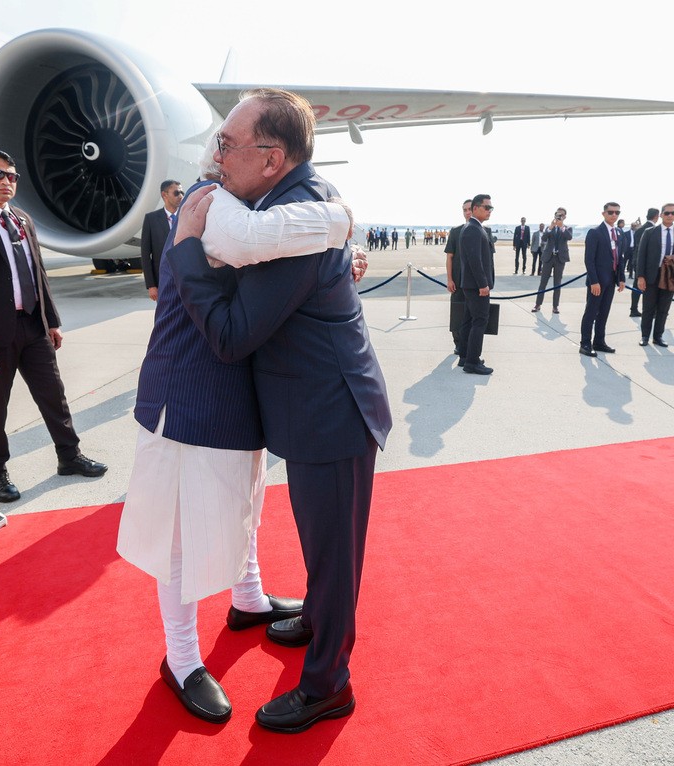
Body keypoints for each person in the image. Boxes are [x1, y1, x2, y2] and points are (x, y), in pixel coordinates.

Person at [168, 88, 392, 733]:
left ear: (271, 158)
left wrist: (186, 249)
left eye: (227, 144)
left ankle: (328, 686)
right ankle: (318, 624)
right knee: (324, 547)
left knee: (334, 557)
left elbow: (233, 332)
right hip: (313, 408)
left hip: (333, 413)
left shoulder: (296, 216)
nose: (216, 154)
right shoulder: (282, 204)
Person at [117, 137, 363, 725]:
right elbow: (256, 242)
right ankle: (180, 659)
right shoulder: (211, 203)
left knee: (243, 501)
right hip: (189, 390)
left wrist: (337, 248)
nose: (228, 158)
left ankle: (247, 598)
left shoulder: (245, 204)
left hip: (233, 387)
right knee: (178, 530)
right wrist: (344, 220)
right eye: (223, 149)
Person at [0, 149, 107, 503]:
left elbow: (38, 275)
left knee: (54, 396)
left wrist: (52, 321)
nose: (6, 182)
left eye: (12, 176)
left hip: (33, 325)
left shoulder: (22, 220)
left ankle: (69, 456)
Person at [579, 202, 626, 356]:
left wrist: (621, 278)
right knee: (591, 313)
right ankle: (585, 343)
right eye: (611, 212)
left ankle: (599, 341)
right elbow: (589, 260)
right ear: (603, 213)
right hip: (597, 282)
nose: (614, 215)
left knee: (604, 313)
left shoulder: (619, 233)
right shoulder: (595, 232)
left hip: (611, 281)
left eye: (617, 212)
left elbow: (620, 258)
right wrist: (594, 281)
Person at [458, 194, 495, 375]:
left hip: (471, 285)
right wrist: (483, 284)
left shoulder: (474, 227)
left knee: (468, 321)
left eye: (491, 208)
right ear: (476, 208)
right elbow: (475, 260)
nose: (490, 211)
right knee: (479, 321)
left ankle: (465, 356)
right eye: (487, 207)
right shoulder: (473, 229)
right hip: (476, 286)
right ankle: (472, 362)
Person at [634, 203, 674, 347]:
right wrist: (640, 276)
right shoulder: (650, 232)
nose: (670, 216)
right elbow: (641, 255)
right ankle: (645, 336)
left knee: (664, 308)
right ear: (661, 215)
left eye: (673, 213)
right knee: (648, 308)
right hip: (652, 275)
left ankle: (658, 336)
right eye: (667, 213)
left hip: (670, 276)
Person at [140, 180, 184, 302]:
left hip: (187, 280)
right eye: (176, 193)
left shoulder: (187, 216)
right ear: (164, 195)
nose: (181, 196)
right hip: (163, 281)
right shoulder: (151, 219)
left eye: (182, 192)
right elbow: (145, 255)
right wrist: (151, 285)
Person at [444, 198, 472, 355]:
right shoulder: (455, 231)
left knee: (474, 315)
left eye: (469, 209)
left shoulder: (485, 231)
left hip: (475, 283)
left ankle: (471, 345)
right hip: (458, 281)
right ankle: (458, 343)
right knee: (457, 313)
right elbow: (449, 257)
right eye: (464, 210)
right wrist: (449, 279)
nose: (467, 212)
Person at [532, 207, 571, 315]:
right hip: (548, 258)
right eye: (557, 215)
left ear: (565, 217)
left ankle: (555, 306)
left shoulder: (567, 228)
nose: (559, 217)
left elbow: (569, 237)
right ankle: (538, 304)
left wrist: (561, 226)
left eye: (561, 215)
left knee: (557, 283)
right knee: (543, 282)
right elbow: (544, 238)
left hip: (560, 259)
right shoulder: (550, 228)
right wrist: (550, 227)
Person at [630, 208, 659, 317]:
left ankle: (633, 309)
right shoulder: (654, 230)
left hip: (638, 261)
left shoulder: (639, 229)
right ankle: (652, 311)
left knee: (636, 286)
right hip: (650, 263)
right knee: (652, 287)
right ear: (656, 216)